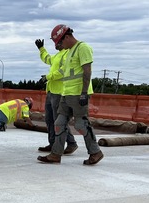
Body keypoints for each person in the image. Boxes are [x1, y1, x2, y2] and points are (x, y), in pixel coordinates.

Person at [38, 25, 103, 165]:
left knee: (81, 124)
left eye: (60, 43)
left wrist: (84, 93)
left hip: (78, 94)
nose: (60, 46)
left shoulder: (83, 48)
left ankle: (95, 152)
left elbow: (87, 71)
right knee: (59, 123)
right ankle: (56, 154)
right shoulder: (68, 52)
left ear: (67, 37)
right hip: (66, 93)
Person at [35, 38, 78, 154]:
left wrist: (48, 77)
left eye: (57, 42)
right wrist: (41, 49)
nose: (55, 44)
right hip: (51, 92)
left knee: (58, 121)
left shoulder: (67, 55)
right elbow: (47, 59)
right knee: (49, 119)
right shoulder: (58, 56)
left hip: (59, 93)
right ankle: (53, 143)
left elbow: (63, 71)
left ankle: (71, 143)